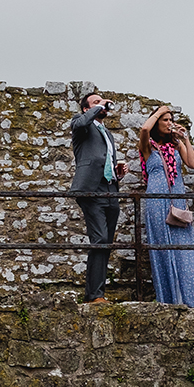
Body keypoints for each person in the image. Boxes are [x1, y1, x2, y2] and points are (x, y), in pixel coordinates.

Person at [138, 105, 194, 307]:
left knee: (185, 249)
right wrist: (157, 112)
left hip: (177, 199)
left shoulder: (175, 145)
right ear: (156, 122)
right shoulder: (148, 147)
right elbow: (144, 130)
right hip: (156, 200)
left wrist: (185, 140)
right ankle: (170, 300)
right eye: (165, 120)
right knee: (162, 246)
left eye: (171, 119)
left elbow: (192, 164)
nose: (169, 123)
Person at [70, 92, 128, 304]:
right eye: (95, 102)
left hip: (110, 189)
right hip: (90, 190)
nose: (101, 105)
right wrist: (99, 107)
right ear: (86, 109)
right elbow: (81, 124)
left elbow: (102, 160)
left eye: (102, 102)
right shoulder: (80, 123)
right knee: (99, 240)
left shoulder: (107, 133)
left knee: (106, 243)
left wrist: (116, 171)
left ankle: (97, 293)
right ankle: (95, 295)